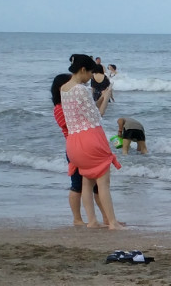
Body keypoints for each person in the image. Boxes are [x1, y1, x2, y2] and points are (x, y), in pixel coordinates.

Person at [63, 54, 123, 227]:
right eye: (90, 73)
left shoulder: (64, 88)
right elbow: (97, 116)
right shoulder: (81, 89)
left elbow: (82, 113)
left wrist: (100, 97)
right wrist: (106, 96)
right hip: (90, 140)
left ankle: (92, 221)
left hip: (73, 143)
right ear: (82, 70)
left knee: (86, 182)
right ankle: (112, 223)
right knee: (103, 183)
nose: (91, 77)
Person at [50, 73, 88, 225]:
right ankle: (77, 219)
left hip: (83, 145)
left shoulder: (69, 106)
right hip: (74, 148)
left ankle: (106, 218)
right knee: (77, 185)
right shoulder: (59, 108)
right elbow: (72, 125)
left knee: (95, 185)